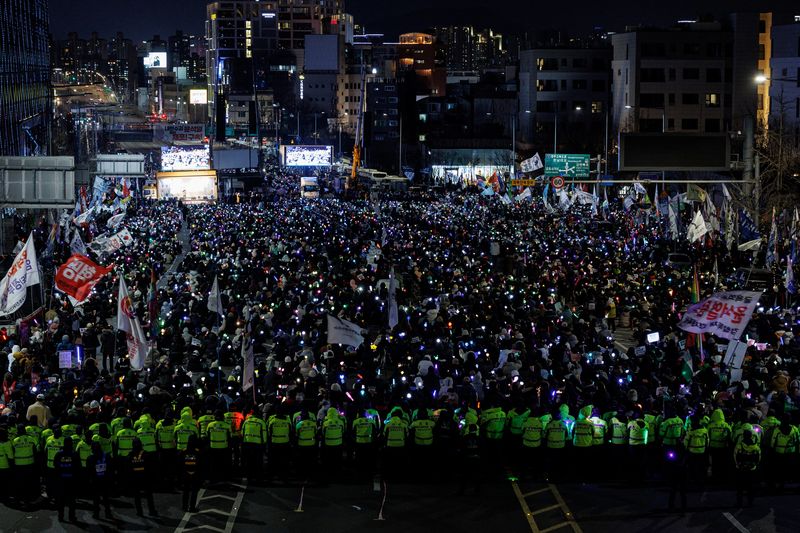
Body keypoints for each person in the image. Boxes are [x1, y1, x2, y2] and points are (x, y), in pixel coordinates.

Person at [126, 438, 157, 517]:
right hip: (145, 477)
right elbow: (151, 467)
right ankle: (152, 511)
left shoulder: (130, 455)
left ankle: (139, 512)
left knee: (137, 496)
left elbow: (128, 468)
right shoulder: (146, 454)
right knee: (149, 495)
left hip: (135, 478)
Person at [53, 435, 78, 522]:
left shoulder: (59, 454)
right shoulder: (74, 454)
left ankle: (61, 516)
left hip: (61, 481)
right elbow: (78, 468)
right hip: (71, 481)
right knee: (72, 501)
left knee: (61, 500)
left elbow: (55, 466)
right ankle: (71, 517)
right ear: (71, 444)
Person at [12, 422, 37, 508]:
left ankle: (18, 500)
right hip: (29, 464)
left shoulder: (14, 441)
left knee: (19, 483)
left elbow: (12, 453)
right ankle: (27, 501)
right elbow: (35, 450)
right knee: (28, 483)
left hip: (18, 465)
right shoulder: (31, 439)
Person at [733, 429, 761, 508]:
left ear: (743, 436)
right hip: (751, 470)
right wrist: (754, 466)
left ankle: (739, 503)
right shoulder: (756, 447)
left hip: (741, 469)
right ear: (751, 436)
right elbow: (758, 459)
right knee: (751, 487)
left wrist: (737, 465)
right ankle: (750, 503)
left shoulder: (739, 446)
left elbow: (735, 456)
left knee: (740, 487)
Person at [86, 441, 113, 519]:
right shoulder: (107, 456)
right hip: (105, 480)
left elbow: (89, 471)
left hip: (96, 481)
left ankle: (96, 514)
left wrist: (90, 481)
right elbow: (111, 468)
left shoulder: (90, 458)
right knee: (106, 498)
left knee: (96, 499)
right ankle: (108, 513)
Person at [180, 435, 203, 512]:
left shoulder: (183, 451)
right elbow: (201, 465)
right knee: (194, 491)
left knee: (186, 491)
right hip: (195, 474)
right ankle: (192, 507)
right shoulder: (198, 452)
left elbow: (180, 464)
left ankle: (184, 506)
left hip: (185, 474)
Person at [242, 410, 267, 481]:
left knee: (249, 461)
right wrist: (264, 443)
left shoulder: (246, 421)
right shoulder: (261, 422)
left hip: (247, 443)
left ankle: (249, 476)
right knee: (258, 461)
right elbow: (264, 435)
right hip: (257, 445)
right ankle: (258, 476)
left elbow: (242, 432)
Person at [207, 410, 231, 482]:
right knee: (222, 464)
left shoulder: (210, 425)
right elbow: (229, 437)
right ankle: (222, 477)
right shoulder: (226, 425)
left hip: (213, 447)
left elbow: (207, 436)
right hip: (223, 447)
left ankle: (213, 478)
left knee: (213, 464)